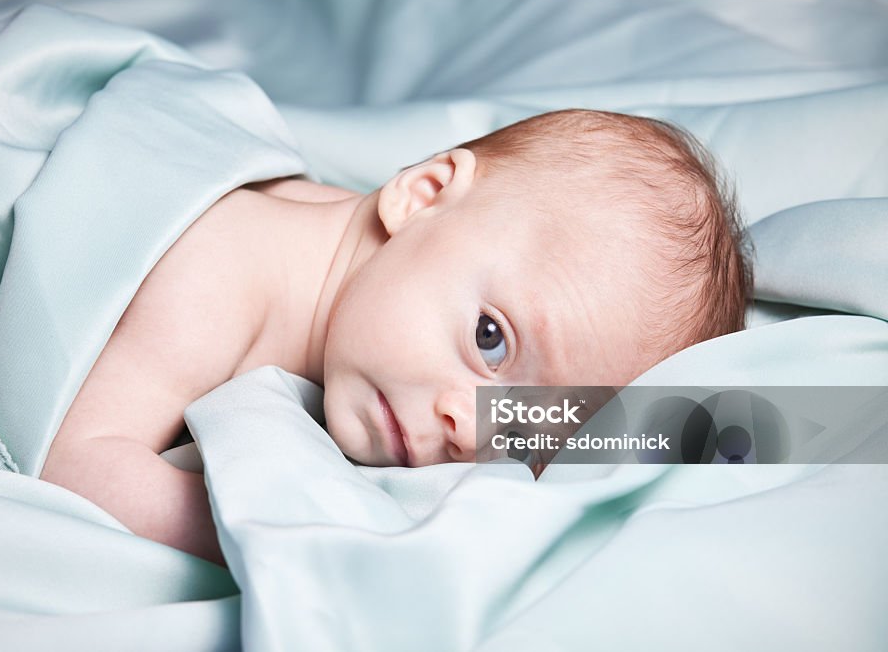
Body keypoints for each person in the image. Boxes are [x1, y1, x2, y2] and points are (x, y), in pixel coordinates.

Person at [38, 108, 753, 564]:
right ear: (421, 194)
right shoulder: (217, 272)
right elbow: (74, 464)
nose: (467, 427)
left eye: (522, 433)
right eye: (490, 338)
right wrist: (245, 533)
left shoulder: (367, 306)